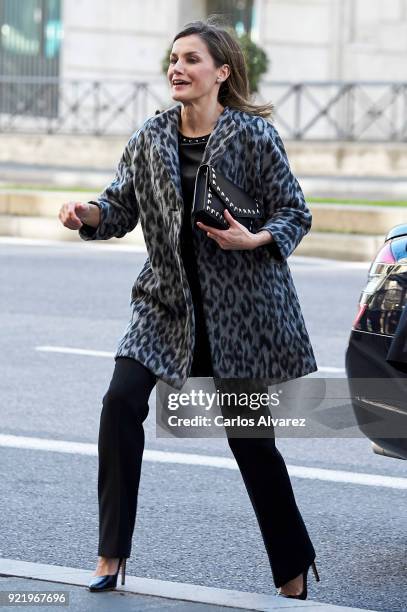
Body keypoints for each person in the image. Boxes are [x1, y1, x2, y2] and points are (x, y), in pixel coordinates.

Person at [58, 19, 320, 600]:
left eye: (192, 59)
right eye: (173, 58)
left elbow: (294, 211)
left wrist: (254, 239)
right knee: (120, 401)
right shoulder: (150, 136)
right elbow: (119, 205)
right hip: (165, 303)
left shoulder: (253, 137)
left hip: (240, 312)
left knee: (251, 441)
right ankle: (110, 553)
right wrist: (89, 214)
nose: (177, 68)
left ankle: (294, 568)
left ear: (221, 73)